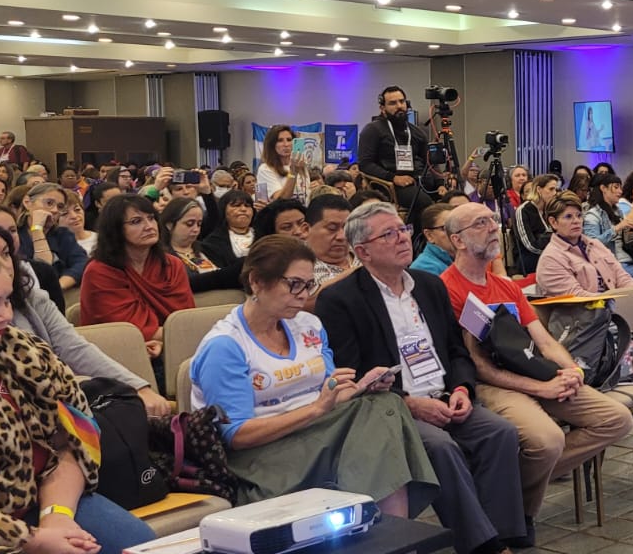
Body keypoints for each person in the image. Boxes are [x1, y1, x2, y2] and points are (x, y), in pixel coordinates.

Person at [315, 203, 531, 552]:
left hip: (445, 395)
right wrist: (410, 404)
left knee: (499, 432)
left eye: (403, 229)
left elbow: (456, 351)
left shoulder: (429, 285)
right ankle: (481, 546)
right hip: (393, 407)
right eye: (389, 234)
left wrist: (462, 389)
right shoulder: (340, 300)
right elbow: (353, 375)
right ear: (363, 251)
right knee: (441, 447)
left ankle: (503, 534)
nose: (402, 238)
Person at [189, 235, 435, 518]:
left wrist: (360, 387)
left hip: (315, 434)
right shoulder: (225, 346)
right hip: (260, 457)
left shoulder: (308, 325)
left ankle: (382, 524)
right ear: (256, 281)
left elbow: (331, 393)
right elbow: (237, 435)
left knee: (382, 402)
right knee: (384, 416)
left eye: (308, 285)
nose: (303, 295)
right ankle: (388, 526)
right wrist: (316, 409)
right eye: (294, 284)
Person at [439, 203, 632, 523]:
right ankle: (521, 515)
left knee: (616, 419)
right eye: (480, 223)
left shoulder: (505, 287)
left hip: (533, 369)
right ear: (458, 240)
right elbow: (478, 365)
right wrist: (542, 388)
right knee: (548, 441)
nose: (493, 228)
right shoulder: (448, 289)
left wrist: (572, 370)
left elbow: (545, 342)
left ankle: (504, 489)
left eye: (492, 221)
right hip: (491, 383)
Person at [0, 249, 157, 554]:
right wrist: (33, 541)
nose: (6, 315)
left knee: (141, 545)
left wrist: (56, 515)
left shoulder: (26, 350)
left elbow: (80, 432)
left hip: (47, 497)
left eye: (7, 300)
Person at [0, 219, 171, 416]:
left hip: (55, 410)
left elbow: (72, 346)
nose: (3, 266)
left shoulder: (31, 296)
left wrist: (136, 387)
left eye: (5, 253)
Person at [79, 195, 195, 373]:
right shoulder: (99, 272)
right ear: (116, 229)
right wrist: (172, 337)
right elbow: (131, 332)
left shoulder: (172, 265)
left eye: (151, 218)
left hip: (174, 349)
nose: (149, 226)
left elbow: (185, 320)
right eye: (136, 221)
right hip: (119, 359)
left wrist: (167, 342)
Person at [358, 86, 445, 230]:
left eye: (401, 101)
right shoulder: (373, 130)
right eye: (393, 103)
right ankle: (420, 239)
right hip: (391, 185)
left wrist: (440, 183)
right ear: (382, 108)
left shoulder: (417, 132)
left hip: (420, 181)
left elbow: (431, 161)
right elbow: (365, 164)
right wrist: (393, 178)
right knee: (423, 202)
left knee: (450, 199)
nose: (399, 106)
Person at [16, 184, 90, 292]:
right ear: (27, 202)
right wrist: (37, 228)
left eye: (60, 207)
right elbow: (43, 267)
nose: (55, 210)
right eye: (49, 203)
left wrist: (58, 286)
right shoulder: (14, 234)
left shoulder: (62, 234)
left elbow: (81, 263)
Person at [581, 173, 633, 283]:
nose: (620, 191)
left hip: (628, 259)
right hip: (612, 264)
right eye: (616, 187)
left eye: (620, 187)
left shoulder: (617, 211)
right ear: (603, 188)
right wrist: (617, 228)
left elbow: (625, 235)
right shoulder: (593, 215)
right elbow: (590, 245)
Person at [306, 194, 358, 287]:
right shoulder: (297, 269)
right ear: (306, 229)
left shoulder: (365, 252)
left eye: (346, 228)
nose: (342, 236)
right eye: (332, 228)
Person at [513, 174, 560, 274]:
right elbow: (530, 245)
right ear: (539, 189)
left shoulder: (552, 209)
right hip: (529, 258)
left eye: (556, 189)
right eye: (551, 189)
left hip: (550, 255)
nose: (555, 193)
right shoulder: (524, 210)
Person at [198, 188, 255, 268]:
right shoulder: (213, 243)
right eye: (236, 205)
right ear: (223, 210)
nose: (243, 209)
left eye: (247, 206)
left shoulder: (263, 235)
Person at [412, 203, 458, 277]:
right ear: (429, 235)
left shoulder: (462, 258)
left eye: (456, 226)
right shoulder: (423, 268)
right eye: (445, 228)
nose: (454, 232)